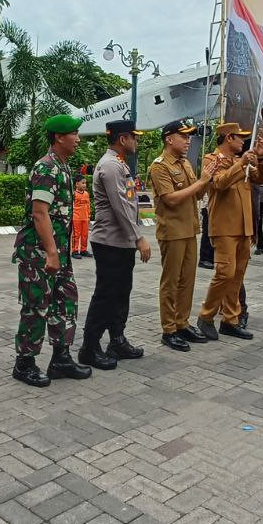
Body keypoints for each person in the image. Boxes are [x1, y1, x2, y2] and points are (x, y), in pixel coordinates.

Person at [11, 115, 91, 386]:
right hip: (39, 255)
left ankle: (61, 358)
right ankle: (24, 364)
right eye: (74, 133)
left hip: (59, 253)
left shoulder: (64, 167)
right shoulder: (46, 168)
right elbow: (39, 213)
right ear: (59, 137)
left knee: (65, 302)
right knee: (35, 306)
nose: (78, 138)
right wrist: (52, 253)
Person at [80, 120, 151, 369]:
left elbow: (129, 205)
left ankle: (117, 340)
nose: (137, 142)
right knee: (106, 295)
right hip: (110, 242)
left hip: (120, 243)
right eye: (134, 137)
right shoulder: (110, 165)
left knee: (121, 293)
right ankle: (89, 348)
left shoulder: (119, 163)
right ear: (123, 139)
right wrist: (138, 237)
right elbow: (121, 207)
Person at [148, 119, 221, 351]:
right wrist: (201, 181)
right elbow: (170, 199)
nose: (188, 140)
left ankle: (182, 322)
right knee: (171, 282)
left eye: (189, 136)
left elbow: (196, 196)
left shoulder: (186, 164)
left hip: (189, 229)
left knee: (187, 280)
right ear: (169, 139)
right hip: (172, 231)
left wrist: (208, 181)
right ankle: (169, 329)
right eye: (183, 136)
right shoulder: (160, 166)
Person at [195, 123, 263, 341]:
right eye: (240, 137)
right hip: (224, 227)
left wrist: (262, 159)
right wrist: (242, 164)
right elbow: (219, 184)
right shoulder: (212, 160)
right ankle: (206, 316)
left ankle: (230, 319)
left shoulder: (240, 160)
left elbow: (261, 179)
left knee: (237, 276)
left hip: (244, 227)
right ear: (228, 138)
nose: (244, 142)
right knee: (224, 273)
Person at [71, 176, 91, 258]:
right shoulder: (74, 194)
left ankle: (83, 250)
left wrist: (89, 216)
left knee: (85, 235)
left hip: (85, 218)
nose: (84, 185)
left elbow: (88, 206)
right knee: (76, 235)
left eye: (85, 183)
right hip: (76, 218)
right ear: (77, 184)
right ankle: (74, 251)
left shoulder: (86, 194)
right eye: (83, 183)